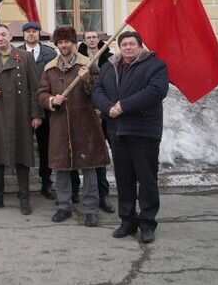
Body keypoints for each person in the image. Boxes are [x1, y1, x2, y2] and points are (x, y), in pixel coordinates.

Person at [92, 31, 169, 244]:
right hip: (117, 131)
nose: (127, 47)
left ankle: (147, 224)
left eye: (131, 44)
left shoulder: (156, 66)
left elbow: (156, 91)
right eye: (124, 44)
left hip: (143, 131)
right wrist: (109, 108)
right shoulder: (108, 67)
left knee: (147, 181)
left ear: (140, 46)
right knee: (124, 180)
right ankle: (127, 221)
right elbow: (97, 90)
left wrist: (123, 106)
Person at [37, 26, 110, 227]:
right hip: (60, 125)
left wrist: (88, 80)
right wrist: (51, 100)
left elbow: (99, 90)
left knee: (88, 168)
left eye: (67, 42)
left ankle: (91, 209)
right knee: (61, 168)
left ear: (74, 44)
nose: (64, 45)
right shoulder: (49, 68)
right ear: (57, 45)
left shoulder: (88, 64)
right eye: (60, 42)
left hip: (85, 123)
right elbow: (41, 93)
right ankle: (64, 206)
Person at [0, 24, 43, 215]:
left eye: (3, 34)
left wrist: (36, 114)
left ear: (10, 36)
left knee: (22, 157)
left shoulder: (26, 57)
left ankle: (24, 199)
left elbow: (34, 88)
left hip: (20, 114)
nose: (0, 38)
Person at [78, 29, 117, 214]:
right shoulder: (78, 57)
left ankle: (103, 195)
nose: (92, 40)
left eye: (95, 37)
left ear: (99, 39)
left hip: (105, 109)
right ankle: (76, 193)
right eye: (89, 38)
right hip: (85, 111)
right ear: (84, 41)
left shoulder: (109, 57)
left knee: (101, 154)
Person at [21, 21, 59, 200]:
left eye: (34, 31)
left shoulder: (50, 54)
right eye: (28, 32)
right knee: (23, 148)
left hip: (45, 108)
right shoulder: (17, 53)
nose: (31, 34)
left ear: (38, 34)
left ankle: (46, 183)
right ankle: (24, 185)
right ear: (23, 35)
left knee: (46, 148)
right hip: (23, 109)